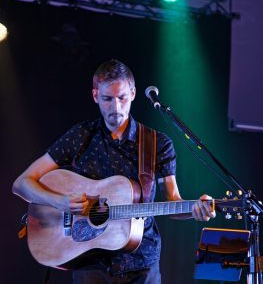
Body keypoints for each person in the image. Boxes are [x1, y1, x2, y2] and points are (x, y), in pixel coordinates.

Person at [12, 59, 215, 283]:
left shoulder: (158, 144)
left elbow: (173, 202)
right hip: (89, 262)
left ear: (134, 93)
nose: (116, 108)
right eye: (108, 99)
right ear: (95, 96)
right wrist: (58, 200)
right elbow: (22, 183)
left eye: (122, 98)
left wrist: (194, 209)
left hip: (141, 262)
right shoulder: (80, 136)